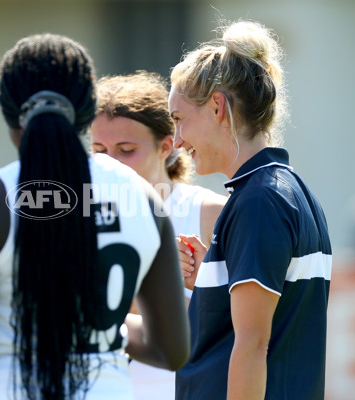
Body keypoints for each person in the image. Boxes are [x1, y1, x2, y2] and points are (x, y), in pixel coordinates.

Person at [0, 33, 190, 400]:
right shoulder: (145, 199)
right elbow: (171, 351)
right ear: (88, 110)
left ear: (9, 114)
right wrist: (98, 329)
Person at [168, 20, 332, 400]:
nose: (176, 140)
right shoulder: (286, 191)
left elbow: (254, 346)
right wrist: (213, 280)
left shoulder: (260, 200)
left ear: (216, 107)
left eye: (178, 120)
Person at [90, 71, 227, 398]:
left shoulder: (209, 213)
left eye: (125, 150)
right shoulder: (76, 219)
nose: (111, 164)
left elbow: (245, 327)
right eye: (98, 149)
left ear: (166, 146)